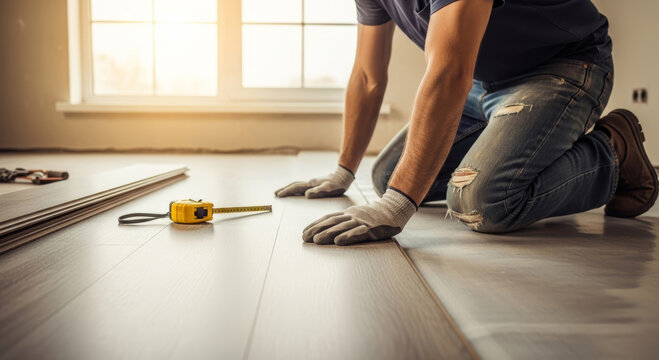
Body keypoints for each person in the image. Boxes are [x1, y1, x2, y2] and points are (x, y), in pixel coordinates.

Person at [275, 0, 658, 245]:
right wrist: (344, 171)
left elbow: (449, 71)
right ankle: (521, 144)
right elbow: (366, 76)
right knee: (386, 176)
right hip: (483, 83)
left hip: (561, 68)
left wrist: (397, 206)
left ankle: (613, 153)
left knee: (484, 201)